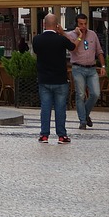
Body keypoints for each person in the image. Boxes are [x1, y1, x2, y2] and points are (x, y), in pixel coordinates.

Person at [32, 12, 76, 143]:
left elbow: (36, 51)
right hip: (60, 79)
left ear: (44, 24)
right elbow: (73, 47)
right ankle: (62, 135)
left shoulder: (37, 39)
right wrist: (63, 33)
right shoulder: (61, 39)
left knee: (45, 108)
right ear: (57, 25)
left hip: (44, 79)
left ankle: (44, 135)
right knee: (60, 108)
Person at [67, 12, 105, 130]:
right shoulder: (71, 35)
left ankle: (85, 114)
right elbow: (72, 48)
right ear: (76, 24)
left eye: (85, 24)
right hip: (78, 68)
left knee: (95, 93)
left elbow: (99, 51)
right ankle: (82, 121)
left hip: (92, 68)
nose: (83, 26)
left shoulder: (92, 34)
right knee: (80, 94)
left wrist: (103, 66)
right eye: (81, 24)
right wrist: (79, 36)